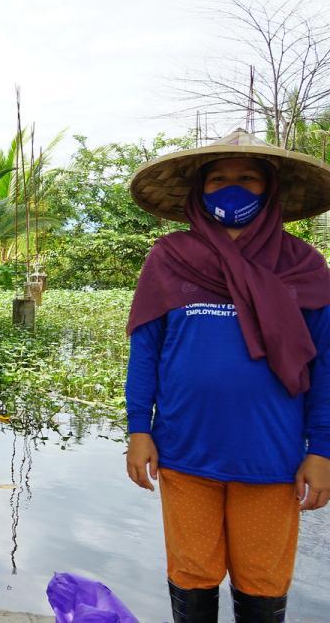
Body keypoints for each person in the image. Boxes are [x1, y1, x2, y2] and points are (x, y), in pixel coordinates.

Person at [125, 129, 330, 623]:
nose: (231, 188)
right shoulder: (169, 258)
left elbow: (324, 365)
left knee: (262, 581)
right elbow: (146, 350)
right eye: (218, 178)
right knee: (192, 574)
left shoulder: (303, 265)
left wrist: (321, 449)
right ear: (199, 190)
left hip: (272, 456)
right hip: (184, 451)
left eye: (247, 179)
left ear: (270, 189)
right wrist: (138, 429)